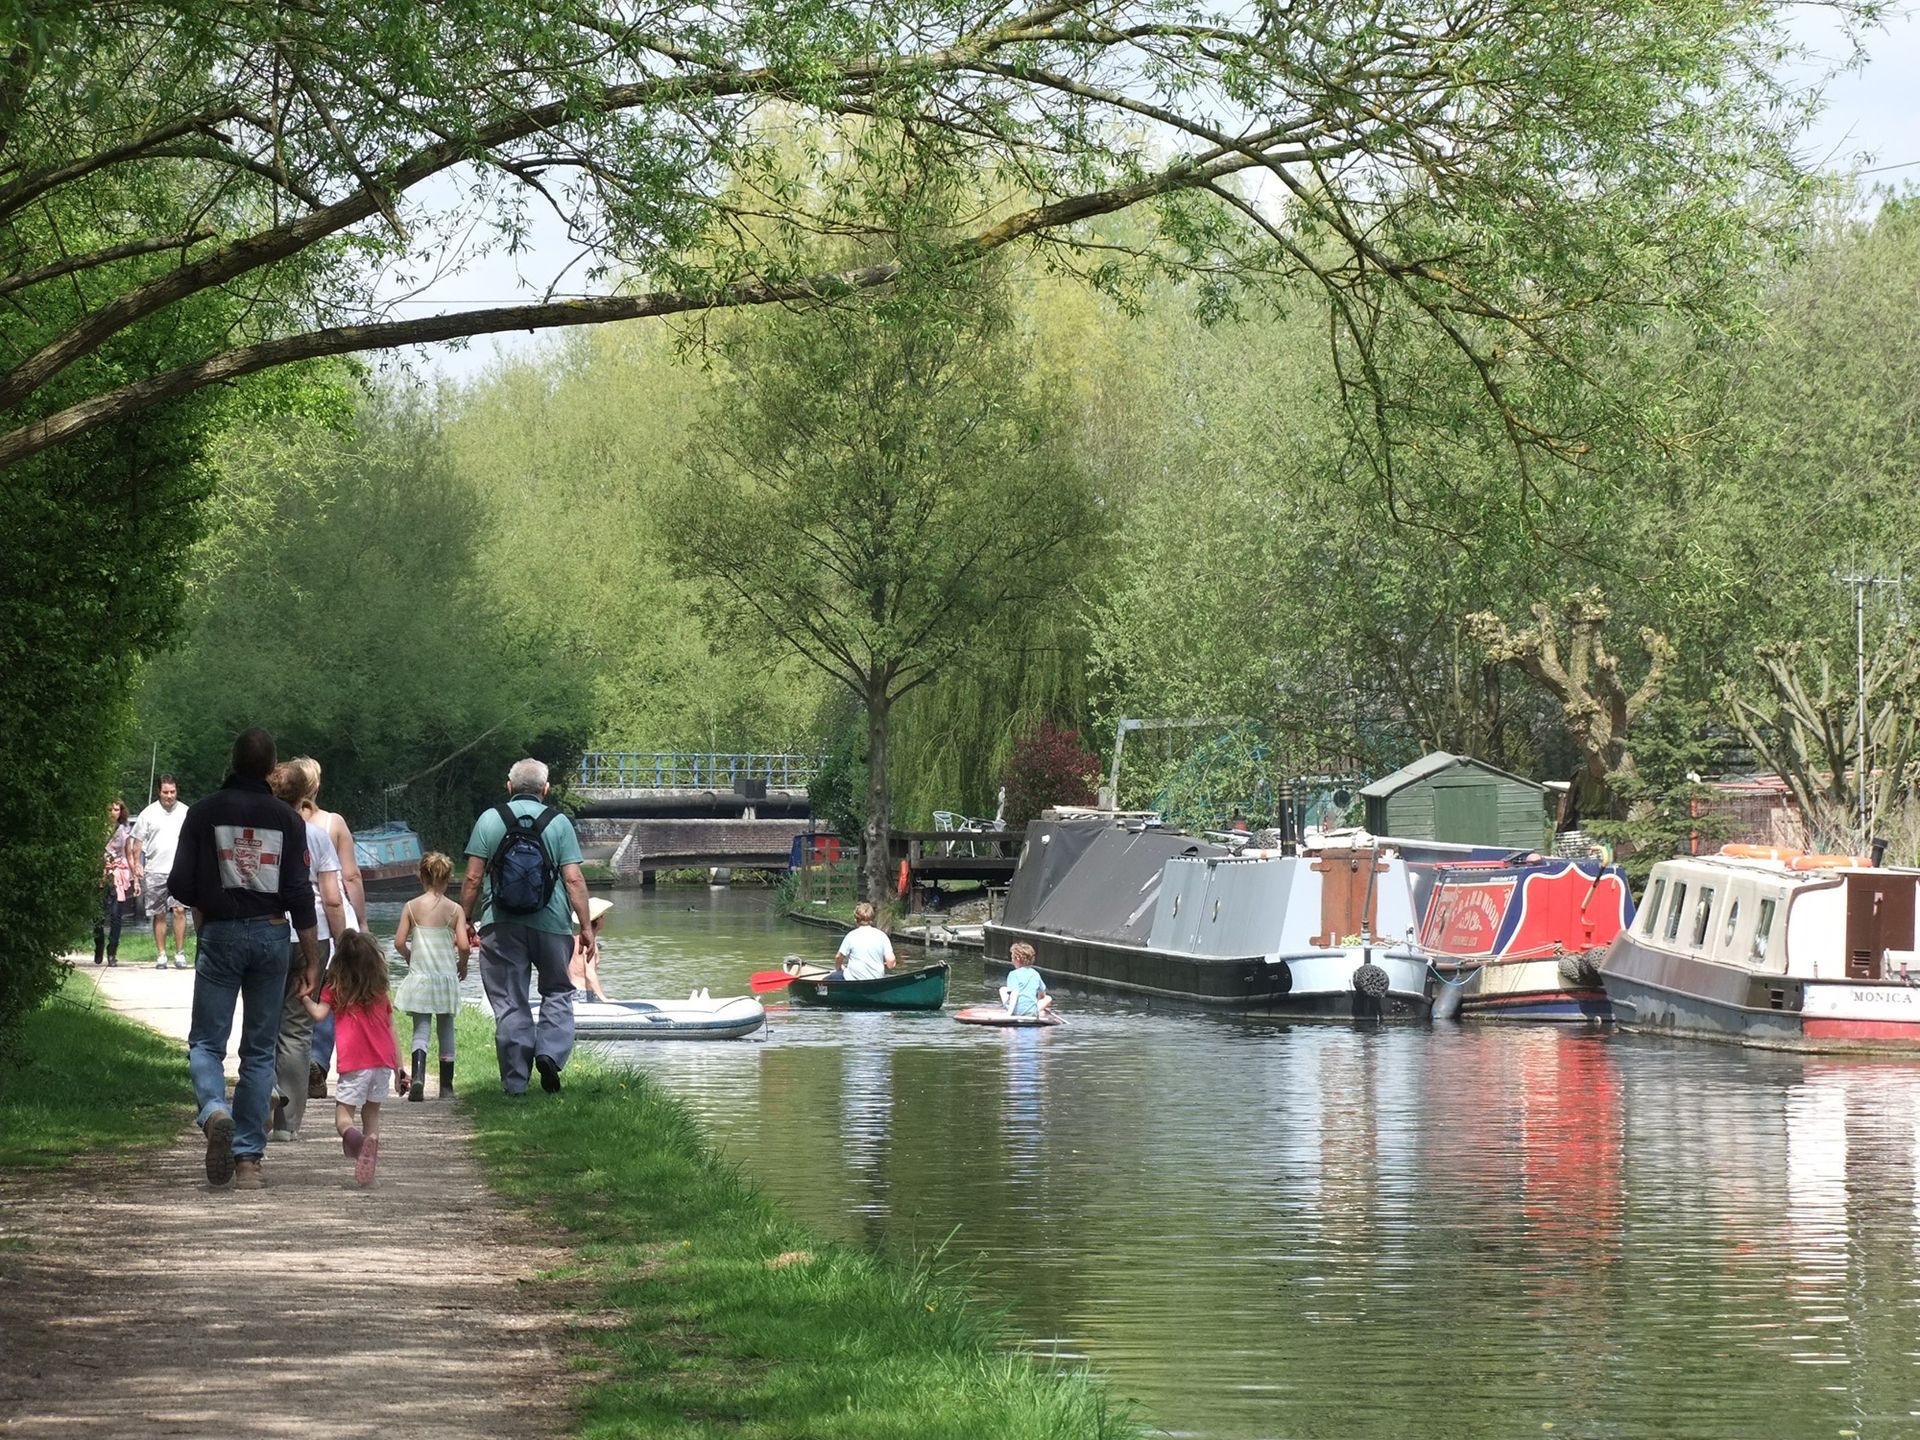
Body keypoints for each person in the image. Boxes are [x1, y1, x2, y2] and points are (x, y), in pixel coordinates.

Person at [167, 729, 321, 1189]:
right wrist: (311, 959)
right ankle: (250, 1159)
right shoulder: (288, 820)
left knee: (207, 1043)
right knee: (258, 1050)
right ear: (270, 768)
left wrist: (211, 898)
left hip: (219, 934)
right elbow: (299, 894)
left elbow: (179, 884)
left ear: (233, 761)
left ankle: (214, 1110)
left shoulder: (203, 812)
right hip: (273, 935)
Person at [460, 758, 595, 1096]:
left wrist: (464, 918)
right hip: (552, 924)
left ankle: (516, 1083)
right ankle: (549, 1053)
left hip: (501, 924)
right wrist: (587, 926)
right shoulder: (559, 823)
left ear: (509, 787)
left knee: (509, 1001)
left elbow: (474, 876)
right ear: (545, 789)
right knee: (558, 991)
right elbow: (574, 878)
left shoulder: (490, 820)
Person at [267, 760, 346, 1142]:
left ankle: (263, 1089)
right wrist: (343, 942)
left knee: (262, 1021)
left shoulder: (260, 833)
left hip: (267, 930)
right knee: (298, 1030)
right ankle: (288, 1124)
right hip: (312, 935)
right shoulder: (315, 836)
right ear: (305, 795)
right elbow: (332, 899)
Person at [300, 929, 407, 1187]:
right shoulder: (380, 993)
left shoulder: (336, 989)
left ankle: (358, 1144)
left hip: (355, 1065)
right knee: (372, 1115)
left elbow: (317, 1014)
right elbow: (392, 1030)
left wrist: (303, 996)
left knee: (343, 1118)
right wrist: (399, 1069)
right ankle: (369, 1167)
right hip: (382, 1064)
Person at [292, 757, 365, 1100]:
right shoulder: (332, 823)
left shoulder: (282, 821)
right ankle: (318, 1061)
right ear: (316, 786)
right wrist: (361, 923)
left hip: (287, 920)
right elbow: (349, 876)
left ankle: (291, 1066)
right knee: (328, 991)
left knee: (293, 993)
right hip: (327, 920)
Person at [393, 851, 470, 1102]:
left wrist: (408, 956)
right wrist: (463, 964)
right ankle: (446, 1088)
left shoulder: (411, 907)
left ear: (422, 876)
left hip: (421, 977)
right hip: (445, 976)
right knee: (446, 1029)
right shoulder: (455, 909)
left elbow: (398, 942)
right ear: (448, 878)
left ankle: (418, 1078)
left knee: (421, 1029)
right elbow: (465, 945)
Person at [131, 774, 190, 968]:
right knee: (159, 913)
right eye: (166, 792)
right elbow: (137, 842)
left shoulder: (185, 812)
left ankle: (180, 953)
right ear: (159, 792)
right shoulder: (148, 813)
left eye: (172, 792)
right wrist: (137, 864)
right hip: (155, 869)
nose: (169, 796)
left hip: (180, 869)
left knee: (180, 910)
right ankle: (162, 954)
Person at [94, 799, 137, 966]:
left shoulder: (124, 830)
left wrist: (135, 878)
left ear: (121, 811)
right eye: (110, 809)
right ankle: (98, 943)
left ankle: (112, 951)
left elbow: (129, 854)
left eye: (117, 809)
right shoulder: (97, 829)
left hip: (118, 874)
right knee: (97, 915)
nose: (113, 812)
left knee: (116, 915)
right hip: (100, 873)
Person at [830, 901, 895, 981]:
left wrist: (839, 968)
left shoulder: (851, 936)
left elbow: (838, 957)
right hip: (876, 980)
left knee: (825, 981)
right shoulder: (882, 936)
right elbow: (891, 962)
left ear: (855, 919)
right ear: (872, 919)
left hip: (853, 980)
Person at [568, 896, 612, 1002]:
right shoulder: (590, 944)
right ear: (597, 920)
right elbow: (590, 973)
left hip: (570, 992)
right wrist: (603, 998)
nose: (604, 920)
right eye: (602, 917)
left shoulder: (573, 940)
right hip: (583, 994)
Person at [999, 941, 1052, 1018]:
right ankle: (1037, 1010)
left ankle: (1010, 1009)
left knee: (1003, 989)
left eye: (1012, 958)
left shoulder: (1013, 974)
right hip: (1032, 1012)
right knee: (1048, 998)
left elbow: (1015, 993)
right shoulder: (1036, 974)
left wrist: (1009, 1013)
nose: (1011, 961)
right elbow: (1042, 994)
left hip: (1015, 1011)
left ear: (1017, 958)